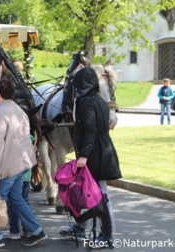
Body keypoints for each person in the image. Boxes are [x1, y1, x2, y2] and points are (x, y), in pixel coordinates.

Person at [0, 79, 47, 248]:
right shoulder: (19, 110)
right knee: (16, 199)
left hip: (5, 165)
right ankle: (36, 231)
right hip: (21, 163)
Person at [59, 67, 121, 248]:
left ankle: (107, 235)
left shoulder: (86, 102)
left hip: (95, 153)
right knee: (86, 191)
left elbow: (91, 130)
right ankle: (82, 227)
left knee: (99, 195)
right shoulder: (99, 100)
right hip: (102, 150)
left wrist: (84, 156)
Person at [5, 134, 34, 240]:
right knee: (25, 202)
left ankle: (14, 230)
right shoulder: (29, 138)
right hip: (26, 175)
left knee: (13, 203)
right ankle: (28, 229)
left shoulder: (12, 138)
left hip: (15, 175)